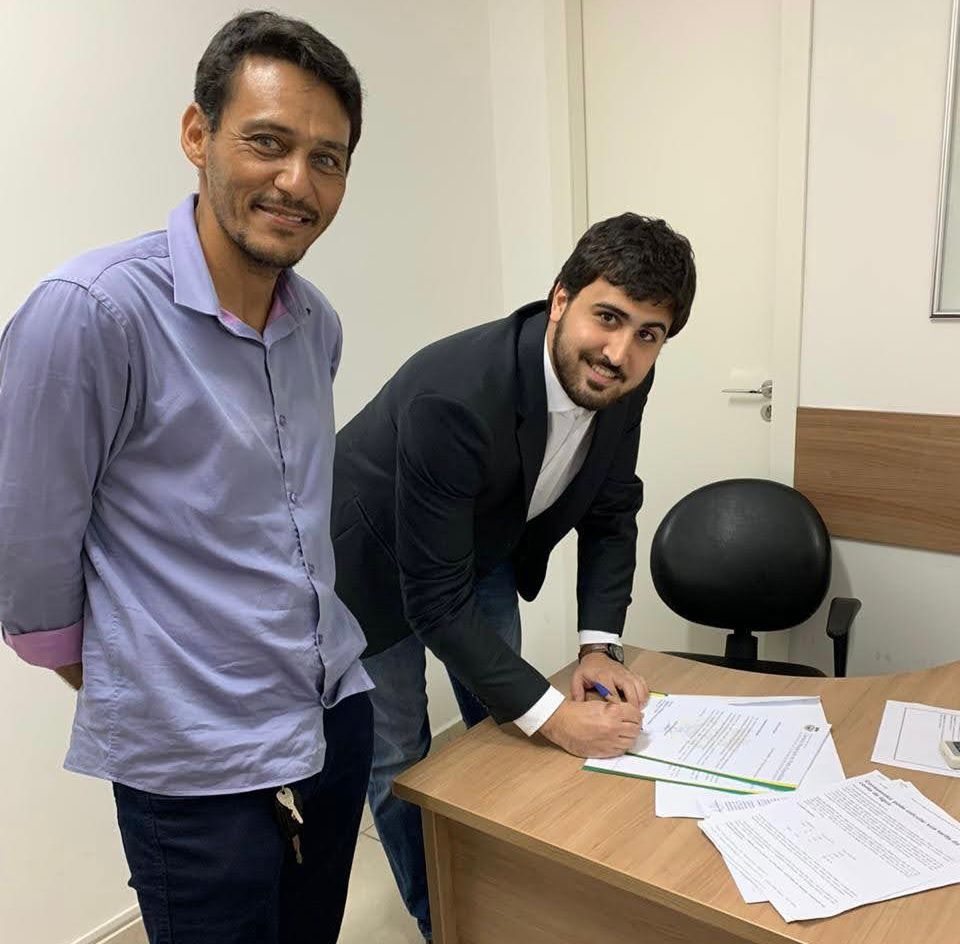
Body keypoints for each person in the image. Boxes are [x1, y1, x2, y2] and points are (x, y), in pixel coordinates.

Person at [0, 11, 372, 944]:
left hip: (332, 713)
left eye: (327, 158)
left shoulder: (316, 325)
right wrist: (149, 686)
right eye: (268, 142)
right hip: (195, 764)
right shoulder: (91, 314)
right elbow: (28, 554)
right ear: (197, 134)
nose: (298, 182)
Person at [332, 212, 697, 939]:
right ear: (560, 299)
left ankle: (514, 893)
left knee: (508, 719)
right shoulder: (456, 393)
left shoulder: (624, 376)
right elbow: (435, 603)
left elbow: (611, 509)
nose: (620, 352)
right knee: (400, 753)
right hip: (368, 565)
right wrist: (557, 716)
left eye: (648, 334)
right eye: (607, 317)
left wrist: (599, 647)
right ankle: (447, 920)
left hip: (482, 541)